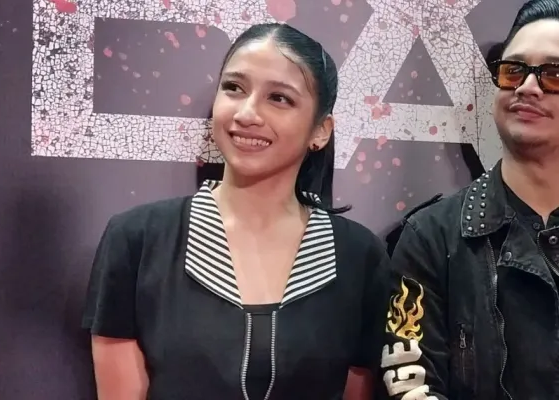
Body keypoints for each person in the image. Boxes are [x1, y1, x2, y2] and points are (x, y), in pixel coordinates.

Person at [82, 23, 390, 400]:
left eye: (279, 98)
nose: (246, 113)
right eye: (234, 88)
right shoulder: (138, 240)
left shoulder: (360, 256)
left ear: (320, 131)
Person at [379, 0, 559, 398]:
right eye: (513, 71)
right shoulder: (430, 237)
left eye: (554, 74)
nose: (527, 87)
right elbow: (411, 384)